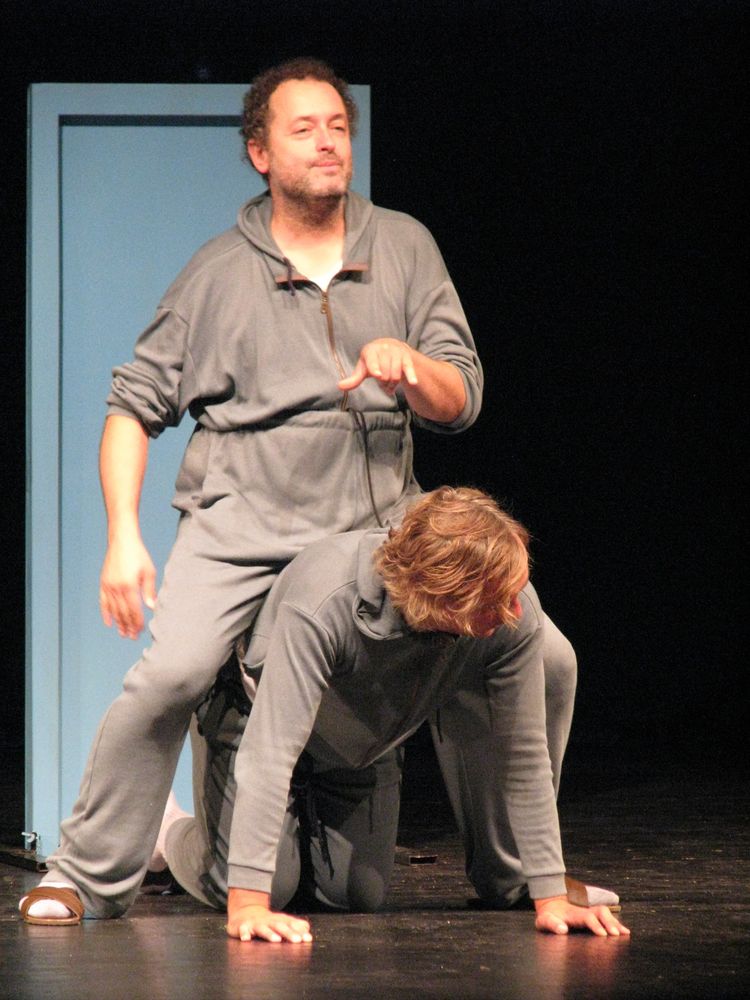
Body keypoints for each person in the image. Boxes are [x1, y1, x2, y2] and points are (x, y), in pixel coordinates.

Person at [20, 58, 482, 924]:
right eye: (303, 128)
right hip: (243, 526)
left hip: (372, 531)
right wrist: (123, 535)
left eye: (338, 126)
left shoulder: (404, 246)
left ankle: (513, 876)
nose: (327, 142)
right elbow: (132, 408)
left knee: (517, 648)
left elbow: (462, 397)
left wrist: (413, 369)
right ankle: (85, 872)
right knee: (172, 674)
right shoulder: (218, 273)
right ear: (260, 153)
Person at [156, 487, 629, 941]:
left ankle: (281, 842)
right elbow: (270, 753)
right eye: (496, 600)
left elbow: (523, 757)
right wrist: (249, 905)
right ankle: (169, 835)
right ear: (448, 593)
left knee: (352, 894)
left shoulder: (513, 614)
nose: (514, 611)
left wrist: (549, 896)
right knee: (262, 885)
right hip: (252, 719)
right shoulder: (325, 600)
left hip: (353, 745)